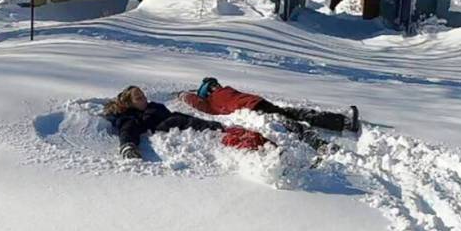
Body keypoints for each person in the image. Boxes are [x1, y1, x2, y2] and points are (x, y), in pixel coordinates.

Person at [179, 78, 359, 150]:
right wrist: (183, 95)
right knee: (292, 123)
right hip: (256, 109)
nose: (216, 86)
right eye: (211, 86)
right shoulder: (211, 103)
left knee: (296, 115)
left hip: (259, 104)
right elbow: (196, 103)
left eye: (214, 83)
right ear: (207, 93)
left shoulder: (221, 93)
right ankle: (324, 144)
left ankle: (343, 122)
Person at [103, 86, 269, 160]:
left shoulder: (153, 106)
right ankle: (224, 136)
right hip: (163, 128)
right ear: (130, 103)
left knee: (184, 118)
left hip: (175, 121)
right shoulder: (130, 116)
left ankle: (224, 130)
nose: (144, 99)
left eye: (143, 95)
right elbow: (127, 130)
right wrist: (128, 146)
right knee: (179, 120)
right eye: (139, 98)